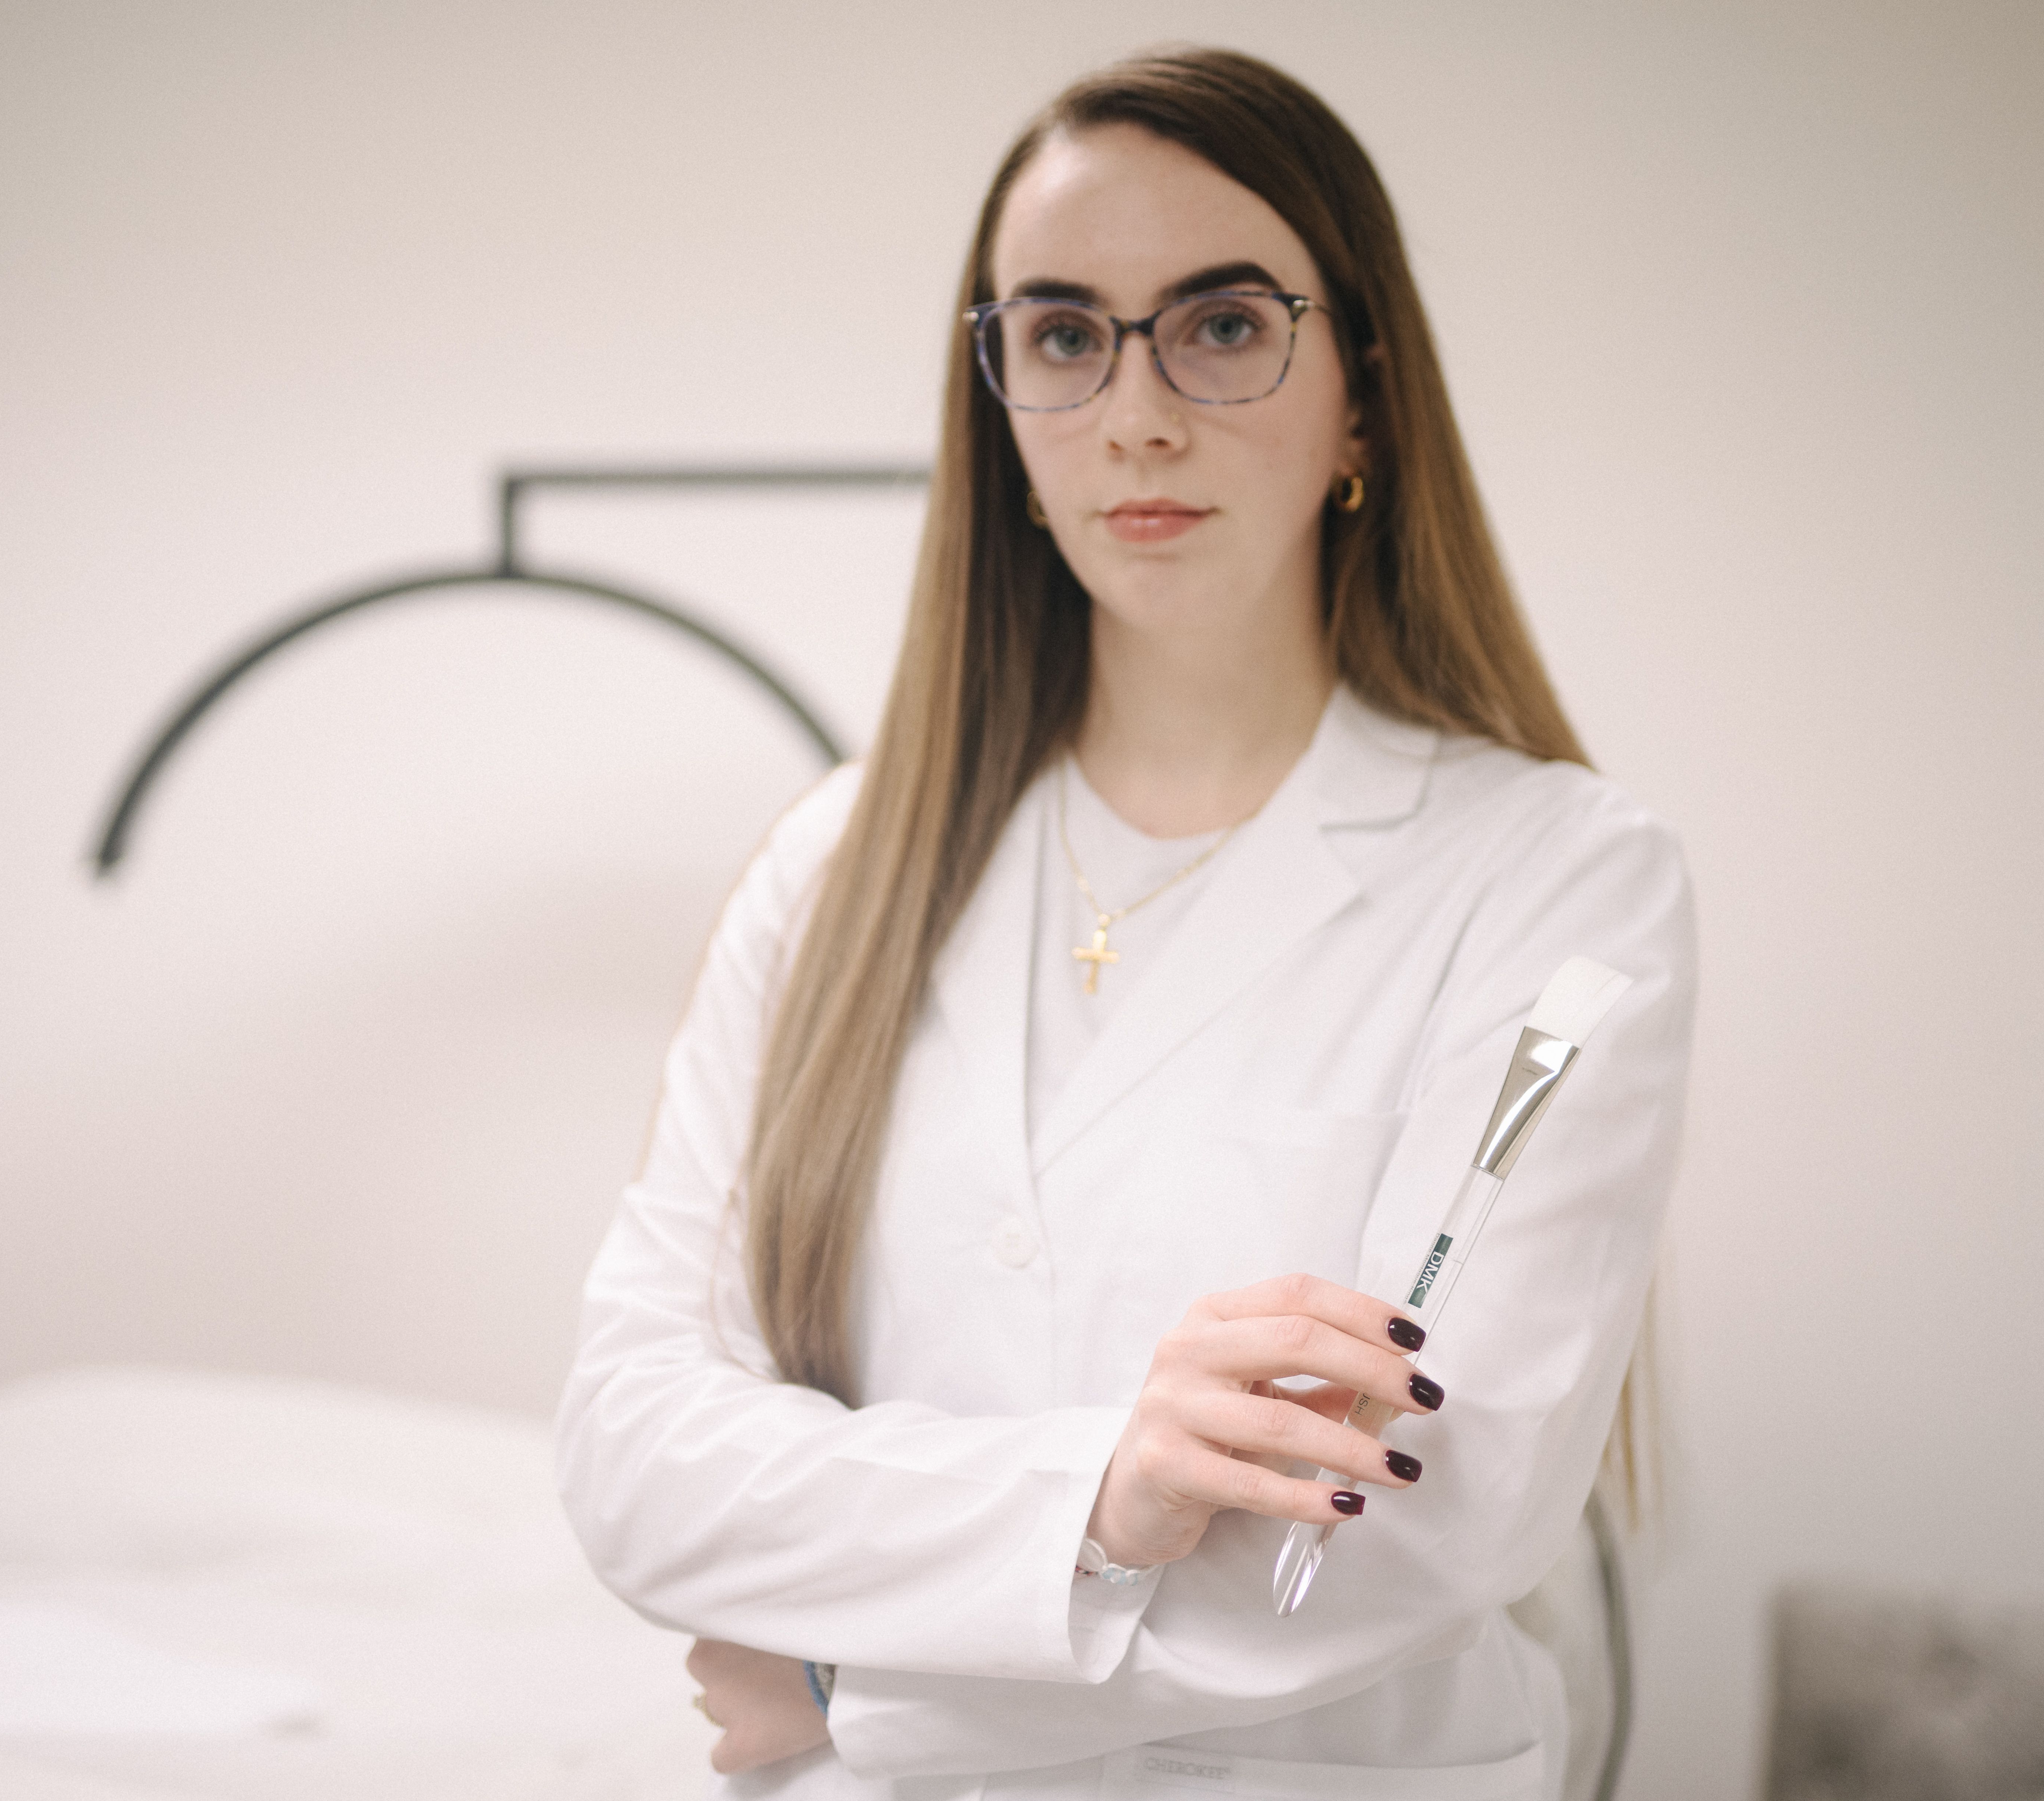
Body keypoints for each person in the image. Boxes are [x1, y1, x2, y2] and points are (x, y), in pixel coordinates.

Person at [557, 45, 1693, 1801]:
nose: (1136, 414)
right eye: (1066, 333)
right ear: (1001, 398)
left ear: (1364, 401)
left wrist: (855, 1691)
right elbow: (638, 1449)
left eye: (1223, 325)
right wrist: (1105, 1493)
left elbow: (1408, 1530)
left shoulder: (1554, 876)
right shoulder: (832, 867)